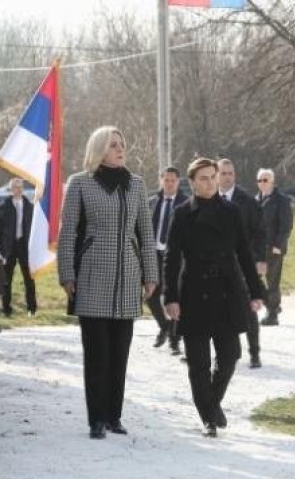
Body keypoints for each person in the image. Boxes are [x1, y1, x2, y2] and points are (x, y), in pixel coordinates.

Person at [57, 126, 158, 440]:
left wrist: (151, 274)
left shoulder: (137, 185)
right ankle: (96, 419)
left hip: (128, 277)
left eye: (122, 144)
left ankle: (114, 416)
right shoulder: (80, 184)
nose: (120, 149)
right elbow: (68, 232)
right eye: (113, 144)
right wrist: (66, 273)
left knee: (120, 352)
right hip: (91, 276)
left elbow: (146, 234)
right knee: (96, 353)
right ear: (99, 148)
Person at [164, 158, 265, 438]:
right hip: (194, 294)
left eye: (213, 176)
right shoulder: (182, 214)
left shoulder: (231, 212)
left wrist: (255, 292)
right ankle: (209, 416)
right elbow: (172, 259)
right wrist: (170, 297)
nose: (211, 182)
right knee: (198, 364)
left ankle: (212, 403)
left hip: (226, 292)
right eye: (204, 178)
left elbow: (244, 253)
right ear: (193, 182)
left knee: (231, 354)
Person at [217, 158, 267, 368]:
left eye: (231, 173)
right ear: (217, 175)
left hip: (244, 265)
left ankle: (254, 352)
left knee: (249, 309)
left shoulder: (246, 201)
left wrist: (261, 260)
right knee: (220, 311)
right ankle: (227, 353)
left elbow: (260, 232)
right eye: (224, 173)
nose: (228, 176)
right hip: (218, 266)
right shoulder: (209, 199)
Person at [147, 167, 188, 355]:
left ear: (178, 182)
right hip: (154, 255)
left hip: (175, 257)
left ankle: (174, 340)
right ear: (161, 180)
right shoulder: (152, 202)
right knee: (150, 295)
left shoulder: (186, 203)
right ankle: (164, 326)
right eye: (166, 179)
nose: (169, 183)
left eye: (173, 180)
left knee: (175, 298)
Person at [256, 168, 293, 327]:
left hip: (273, 247)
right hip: (258, 247)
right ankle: (272, 305)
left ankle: (272, 313)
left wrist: (279, 244)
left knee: (272, 280)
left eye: (265, 180)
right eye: (260, 180)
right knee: (253, 278)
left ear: (272, 181)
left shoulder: (281, 200)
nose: (262, 183)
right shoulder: (256, 199)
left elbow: (286, 225)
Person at [0, 178, 36, 317]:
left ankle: (31, 309)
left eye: (20, 187)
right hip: (9, 247)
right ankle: (6, 309)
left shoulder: (29, 206)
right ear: (11, 189)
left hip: (24, 246)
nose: (18, 189)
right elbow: (0, 230)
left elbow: (34, 228)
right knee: (7, 280)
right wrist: (1, 250)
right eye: (15, 187)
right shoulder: (5, 206)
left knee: (29, 279)